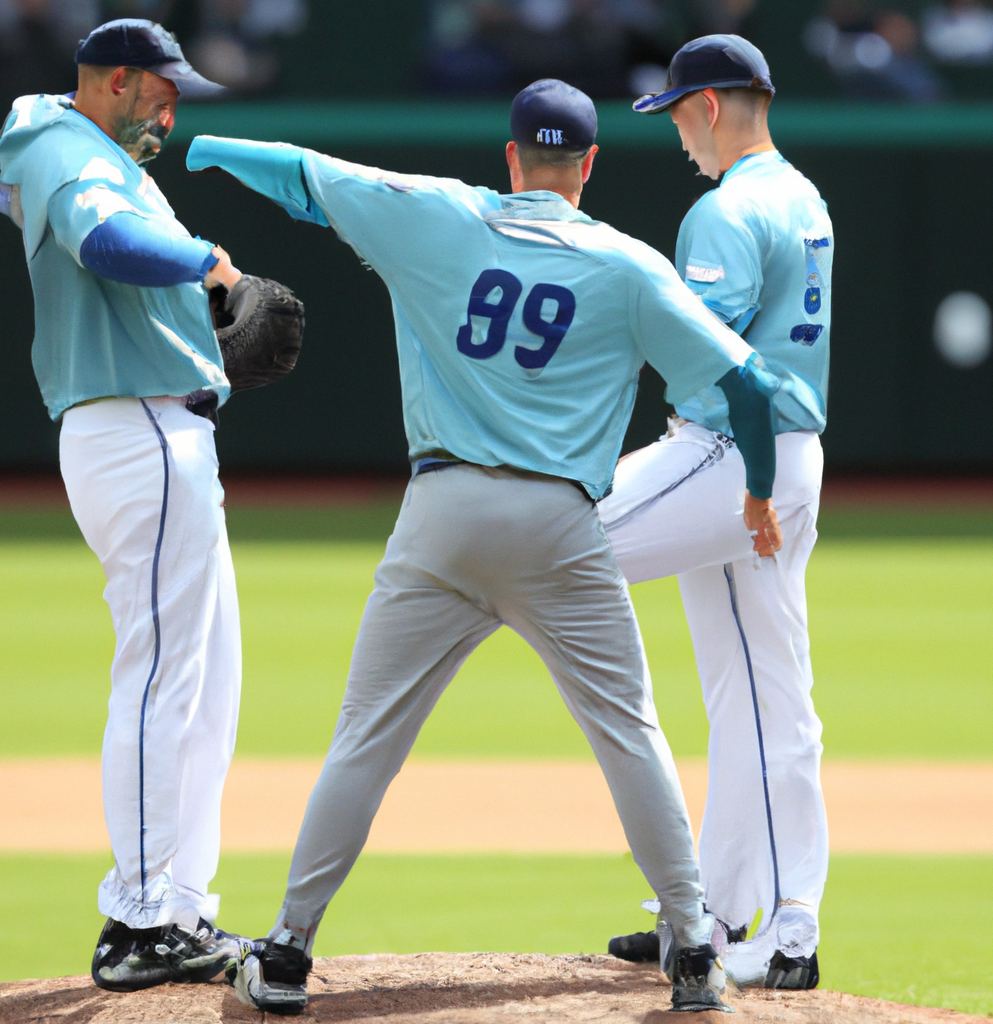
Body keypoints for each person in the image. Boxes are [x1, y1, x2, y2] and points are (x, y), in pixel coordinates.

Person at [185, 77, 784, 1015]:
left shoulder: (434, 212)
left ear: (510, 157)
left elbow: (303, 177)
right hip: (562, 532)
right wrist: (755, 486)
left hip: (442, 518)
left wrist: (210, 147)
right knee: (631, 734)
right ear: (589, 164)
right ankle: (698, 957)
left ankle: (291, 953)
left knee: (365, 741)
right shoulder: (630, 266)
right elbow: (751, 388)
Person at [0, 18, 248, 992]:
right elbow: (106, 241)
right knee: (158, 675)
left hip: (159, 426)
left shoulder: (76, 145)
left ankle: (181, 903)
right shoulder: (66, 145)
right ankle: (137, 917)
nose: (173, 109)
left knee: (209, 679)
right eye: (161, 89)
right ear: (112, 82)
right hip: (135, 427)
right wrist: (206, 263)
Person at [601, 35, 831, 990]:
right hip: (786, 455)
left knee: (541, 542)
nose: (679, 140)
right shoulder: (802, 194)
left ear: (703, 106)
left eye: (676, 117)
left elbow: (708, 352)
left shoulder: (726, 208)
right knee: (757, 690)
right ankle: (724, 912)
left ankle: (778, 929)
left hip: (736, 458)